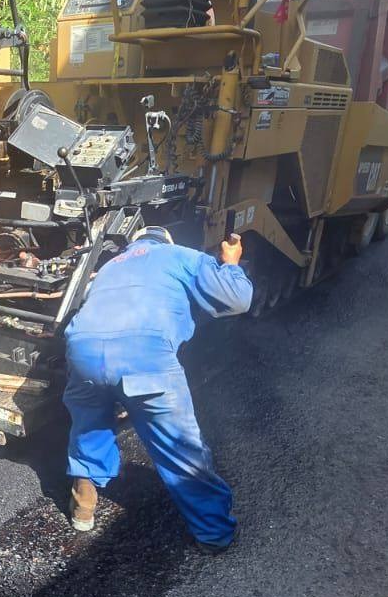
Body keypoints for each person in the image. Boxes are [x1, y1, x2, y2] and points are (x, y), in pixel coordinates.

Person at [63, 225, 252, 551]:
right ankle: (214, 535)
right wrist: (231, 263)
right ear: (165, 241)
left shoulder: (110, 266)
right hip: (143, 355)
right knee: (180, 449)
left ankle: (83, 509)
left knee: (89, 427)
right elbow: (238, 300)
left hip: (83, 351)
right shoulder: (178, 255)